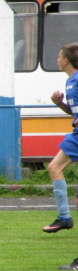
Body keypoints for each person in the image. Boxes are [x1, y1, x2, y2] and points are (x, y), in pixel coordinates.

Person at [43, 44, 78, 234]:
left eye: (58, 56)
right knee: (54, 167)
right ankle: (64, 217)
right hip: (76, 135)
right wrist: (60, 104)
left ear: (66, 61)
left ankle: (64, 217)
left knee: (54, 168)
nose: (57, 59)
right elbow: (73, 113)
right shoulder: (70, 82)